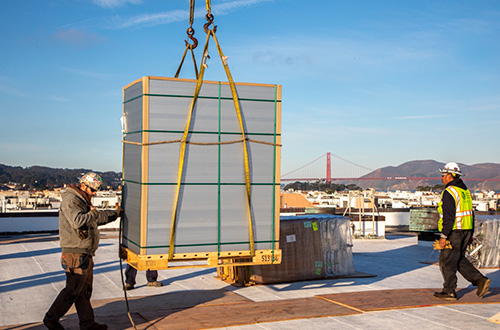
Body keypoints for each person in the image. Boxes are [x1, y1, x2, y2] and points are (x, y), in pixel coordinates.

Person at [43, 172, 120, 330]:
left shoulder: (82, 200)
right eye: (92, 190)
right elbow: (78, 221)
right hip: (75, 254)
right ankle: (51, 319)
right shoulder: (72, 200)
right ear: (83, 186)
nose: (94, 193)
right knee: (72, 290)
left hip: (83, 253)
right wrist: (92, 213)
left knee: (83, 292)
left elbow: (96, 219)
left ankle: (88, 324)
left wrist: (115, 214)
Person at [434, 162, 491, 301]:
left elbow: (449, 217)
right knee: (458, 259)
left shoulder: (449, 192)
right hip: (465, 231)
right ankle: (480, 280)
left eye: (443, 175)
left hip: (454, 232)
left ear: (450, 176)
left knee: (446, 261)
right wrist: (470, 233)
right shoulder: (465, 192)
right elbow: (471, 214)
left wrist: (443, 236)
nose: (442, 178)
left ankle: (449, 291)